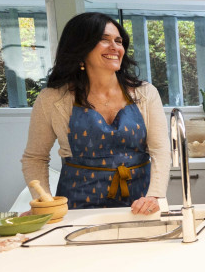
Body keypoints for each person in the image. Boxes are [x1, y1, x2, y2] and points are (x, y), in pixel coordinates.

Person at [21, 12, 168, 214]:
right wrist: (44, 201)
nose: (115, 47)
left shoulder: (145, 93)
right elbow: (35, 158)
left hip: (140, 204)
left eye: (118, 41)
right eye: (104, 40)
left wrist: (154, 195)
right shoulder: (52, 98)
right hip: (77, 206)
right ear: (80, 47)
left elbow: (160, 151)